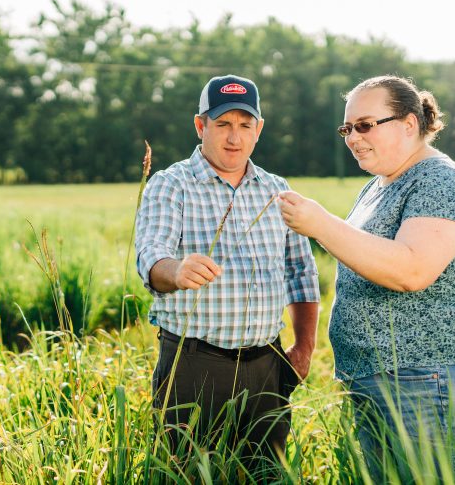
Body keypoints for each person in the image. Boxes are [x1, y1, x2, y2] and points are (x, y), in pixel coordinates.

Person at [278, 75, 455, 483]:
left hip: (428, 379)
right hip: (378, 378)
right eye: (348, 128)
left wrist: (321, 224)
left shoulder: (441, 181)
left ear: (409, 124)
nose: (353, 137)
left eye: (365, 125)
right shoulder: (377, 186)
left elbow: (411, 270)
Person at [135, 74, 320, 471]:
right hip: (195, 365)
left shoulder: (277, 189)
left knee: (267, 474)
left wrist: (304, 347)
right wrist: (177, 270)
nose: (234, 137)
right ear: (201, 126)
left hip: (267, 367)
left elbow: (301, 271)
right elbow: (151, 258)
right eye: (222, 125)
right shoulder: (171, 185)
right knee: (187, 473)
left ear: (259, 130)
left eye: (244, 125)